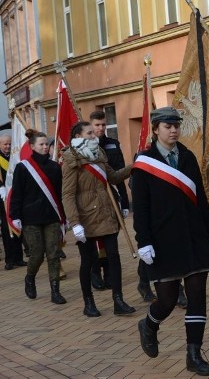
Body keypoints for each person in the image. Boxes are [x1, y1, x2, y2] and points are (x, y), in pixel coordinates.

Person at [132, 106, 209, 376]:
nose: (173, 130)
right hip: (162, 241)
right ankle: (149, 324)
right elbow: (141, 208)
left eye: (176, 125)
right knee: (167, 301)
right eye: (167, 126)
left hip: (193, 237)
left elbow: (200, 196)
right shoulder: (144, 163)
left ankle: (194, 353)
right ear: (155, 129)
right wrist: (143, 241)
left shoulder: (188, 157)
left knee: (197, 296)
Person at [61, 121, 135, 318]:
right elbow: (67, 195)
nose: (94, 136)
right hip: (85, 218)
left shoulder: (99, 153)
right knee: (88, 261)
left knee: (114, 257)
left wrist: (134, 166)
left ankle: (118, 300)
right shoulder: (71, 159)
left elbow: (113, 177)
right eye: (89, 133)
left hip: (106, 213)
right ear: (78, 136)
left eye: (94, 133)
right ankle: (89, 302)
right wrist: (75, 223)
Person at [9, 129, 66, 304]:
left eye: (47, 144)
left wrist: (65, 215)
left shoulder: (55, 167)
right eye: (41, 144)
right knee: (37, 255)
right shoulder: (23, 167)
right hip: (30, 218)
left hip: (51, 217)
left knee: (54, 253)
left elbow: (60, 193)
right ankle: (30, 278)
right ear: (32, 146)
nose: (45, 147)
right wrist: (15, 216)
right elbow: (17, 194)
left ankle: (55, 291)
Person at [88, 110, 130, 291]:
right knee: (95, 238)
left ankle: (108, 274)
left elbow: (119, 173)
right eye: (97, 125)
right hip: (91, 199)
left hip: (110, 196)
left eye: (103, 125)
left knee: (108, 237)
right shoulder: (85, 148)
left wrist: (125, 202)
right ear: (90, 126)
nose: (101, 128)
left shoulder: (113, 144)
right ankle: (94, 272)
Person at [0, 130, 27, 270]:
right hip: (3, 199)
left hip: (15, 196)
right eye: (5, 144)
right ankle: (9, 260)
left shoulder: (14, 157)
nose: (8, 146)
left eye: (10, 144)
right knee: (6, 229)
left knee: (17, 226)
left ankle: (19, 258)